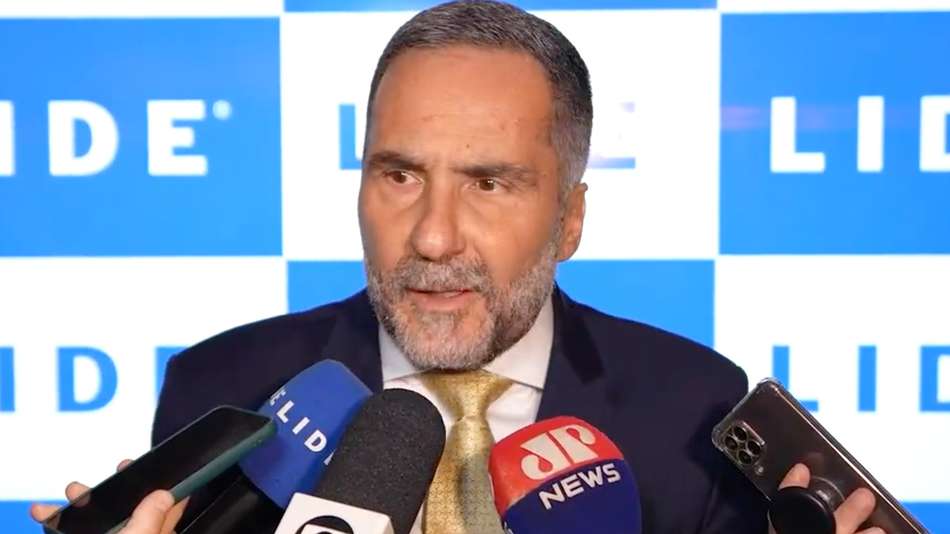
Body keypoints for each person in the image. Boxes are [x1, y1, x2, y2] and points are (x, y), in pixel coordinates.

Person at [32, 1, 884, 533]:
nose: (434, 239)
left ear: (570, 219)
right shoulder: (223, 387)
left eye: (488, 183)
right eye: (400, 176)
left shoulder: (691, 405)